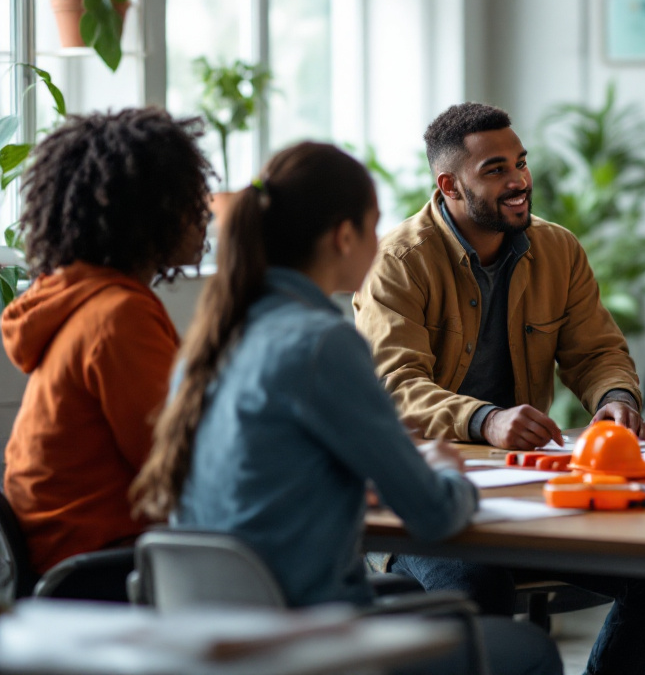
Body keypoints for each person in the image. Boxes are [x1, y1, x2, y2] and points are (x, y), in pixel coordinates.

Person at [131, 143, 559, 675]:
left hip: (218, 641)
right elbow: (433, 514)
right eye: (374, 226)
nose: (381, 245)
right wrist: (450, 474)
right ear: (344, 235)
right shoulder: (322, 343)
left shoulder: (211, 344)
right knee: (531, 653)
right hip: (312, 641)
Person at [354, 103, 645, 675]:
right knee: (480, 587)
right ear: (449, 185)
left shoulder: (559, 250)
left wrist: (614, 401)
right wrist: (486, 420)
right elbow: (394, 386)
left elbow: (598, 352)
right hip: (426, 503)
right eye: (496, 169)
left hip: (528, 496)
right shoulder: (398, 263)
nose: (519, 180)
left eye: (520, 163)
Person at [2, 108, 210, 595]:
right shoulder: (117, 316)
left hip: (76, 559)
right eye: (188, 199)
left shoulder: (82, 301)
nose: (204, 213)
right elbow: (179, 464)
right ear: (144, 211)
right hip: (105, 569)